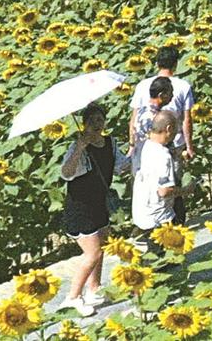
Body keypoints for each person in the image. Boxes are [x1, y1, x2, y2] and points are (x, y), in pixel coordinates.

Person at [59, 102, 128, 317]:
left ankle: (94, 289)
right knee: (92, 253)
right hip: (80, 206)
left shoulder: (110, 143)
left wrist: (136, 149)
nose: (96, 125)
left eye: (100, 120)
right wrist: (79, 149)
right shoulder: (78, 147)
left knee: (103, 246)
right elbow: (66, 173)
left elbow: (120, 166)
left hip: (99, 201)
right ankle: (72, 297)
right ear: (84, 124)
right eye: (91, 121)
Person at [127, 45, 192, 156]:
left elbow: (134, 118)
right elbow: (186, 120)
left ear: (157, 64)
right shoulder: (183, 86)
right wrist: (189, 146)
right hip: (173, 144)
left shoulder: (142, 85)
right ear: (176, 64)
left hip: (144, 145)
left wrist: (132, 145)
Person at [132, 110, 181, 231]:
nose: (176, 134)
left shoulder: (140, 147)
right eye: (176, 130)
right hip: (160, 219)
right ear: (169, 129)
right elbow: (164, 191)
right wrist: (185, 191)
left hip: (141, 215)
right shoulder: (163, 154)